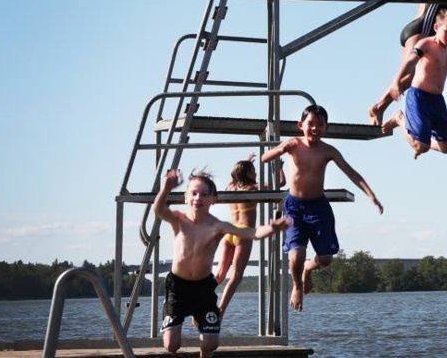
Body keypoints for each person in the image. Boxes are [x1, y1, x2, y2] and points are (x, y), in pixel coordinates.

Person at [153, 168, 290, 358]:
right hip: (178, 287)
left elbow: (252, 233)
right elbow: (159, 209)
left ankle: (204, 349)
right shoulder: (179, 221)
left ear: (213, 199)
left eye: (204, 194)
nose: (198, 198)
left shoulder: (217, 226)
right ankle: (183, 321)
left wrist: (271, 228)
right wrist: (167, 187)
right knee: (171, 345)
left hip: (203, 288)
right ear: (186, 197)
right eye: (193, 193)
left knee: (211, 343)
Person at [261, 104, 384, 312]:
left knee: (326, 259)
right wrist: (281, 148)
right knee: (296, 254)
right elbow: (265, 159)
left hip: (318, 207)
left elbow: (351, 172)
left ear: (326, 128)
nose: (315, 128)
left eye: (320, 125)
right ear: (301, 125)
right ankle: (297, 287)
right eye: (311, 124)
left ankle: (307, 270)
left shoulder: (328, 151)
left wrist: (371, 195)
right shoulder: (292, 145)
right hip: (294, 206)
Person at [381, 9, 447, 159]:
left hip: (437, 100)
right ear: (436, 28)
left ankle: (423, 142)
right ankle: (399, 119)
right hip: (419, 97)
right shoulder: (425, 44)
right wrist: (397, 81)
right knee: (421, 147)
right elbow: (410, 62)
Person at [213, 153, 285, 316]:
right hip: (243, 234)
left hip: (229, 232)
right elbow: (280, 183)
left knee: (219, 274)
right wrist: (279, 168)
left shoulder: (231, 187)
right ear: (247, 174)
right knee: (236, 276)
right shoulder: (252, 188)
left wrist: (245, 161)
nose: (256, 173)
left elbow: (234, 175)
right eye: (253, 170)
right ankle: (221, 310)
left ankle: (198, 299)